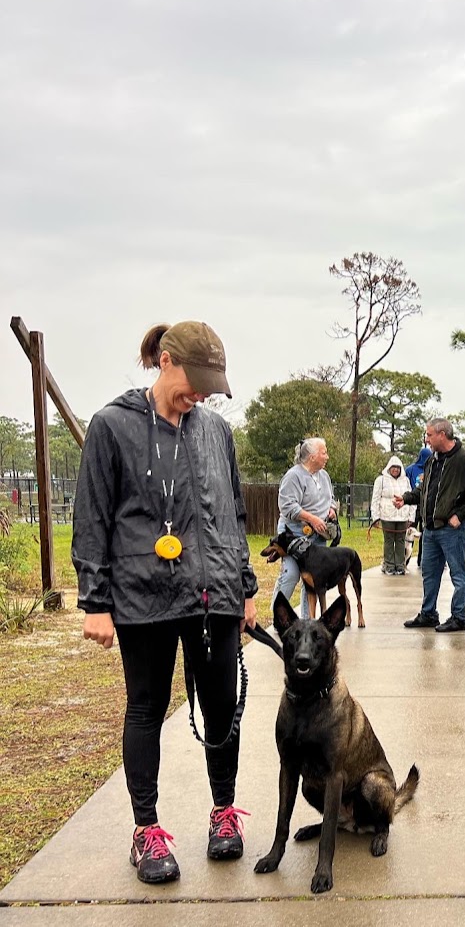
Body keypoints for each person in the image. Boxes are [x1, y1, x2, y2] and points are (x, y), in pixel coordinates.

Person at [72, 321, 258, 885]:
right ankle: (146, 829)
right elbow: (93, 517)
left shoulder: (214, 432)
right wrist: (94, 601)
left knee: (221, 709)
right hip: (143, 595)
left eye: (210, 386)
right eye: (195, 381)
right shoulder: (111, 426)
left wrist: (244, 587)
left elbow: (232, 513)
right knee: (146, 708)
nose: (201, 394)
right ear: (166, 360)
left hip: (215, 596)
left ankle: (224, 813)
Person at [396, 418, 465, 632]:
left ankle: (458, 618)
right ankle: (428, 614)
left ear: (442, 435)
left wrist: (460, 515)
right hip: (430, 530)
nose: (426, 439)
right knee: (429, 573)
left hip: (451, 530)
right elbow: (424, 490)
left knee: (458, 574)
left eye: (429, 435)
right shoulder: (432, 460)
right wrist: (406, 499)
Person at [273, 437, 339, 619]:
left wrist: (331, 509)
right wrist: (311, 518)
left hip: (317, 537)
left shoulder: (324, 476)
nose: (327, 456)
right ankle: (277, 615)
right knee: (291, 575)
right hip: (294, 535)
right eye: (324, 452)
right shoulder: (293, 476)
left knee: (312, 579)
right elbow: (287, 506)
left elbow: (331, 498)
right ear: (311, 457)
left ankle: (306, 620)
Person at [371, 455, 412, 575]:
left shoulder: (406, 480)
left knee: (400, 540)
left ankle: (400, 565)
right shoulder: (381, 480)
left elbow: (410, 498)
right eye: (393, 467)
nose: (396, 470)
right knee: (389, 540)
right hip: (387, 515)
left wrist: (411, 516)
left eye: (398, 468)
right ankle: (388, 565)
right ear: (389, 468)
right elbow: (375, 499)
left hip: (402, 516)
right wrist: (375, 517)